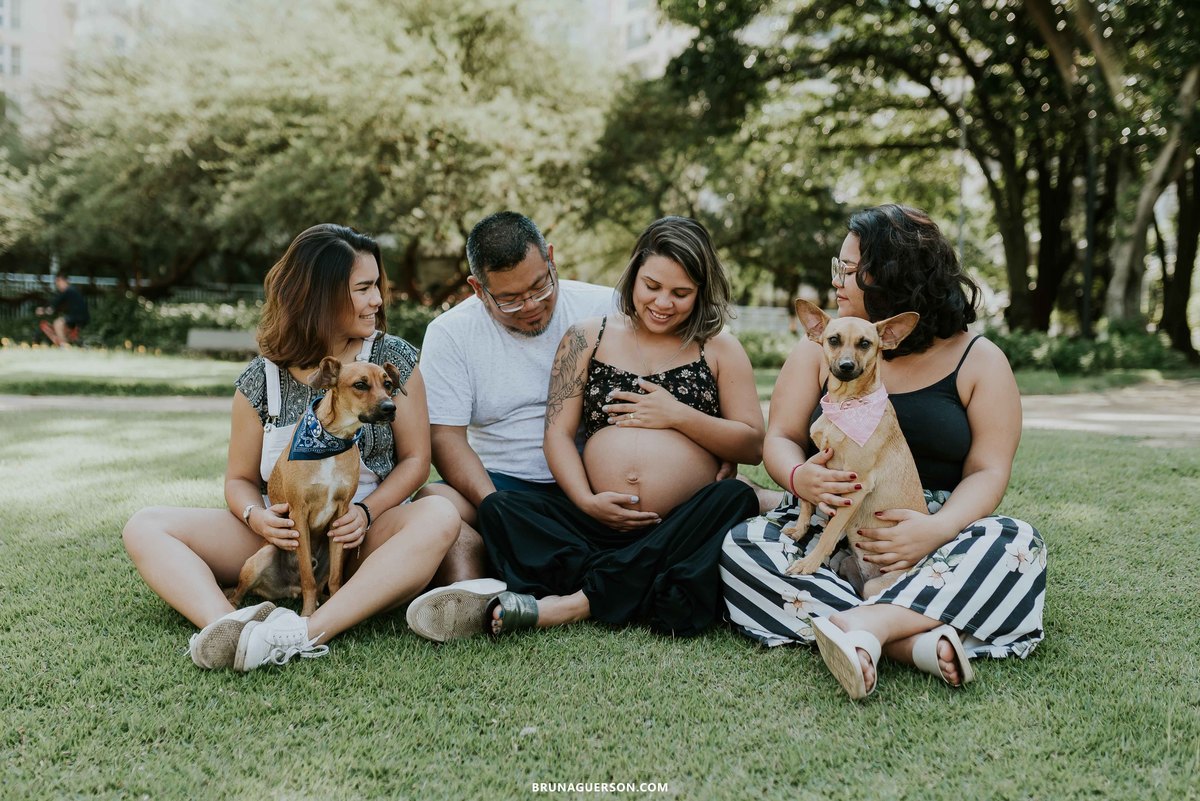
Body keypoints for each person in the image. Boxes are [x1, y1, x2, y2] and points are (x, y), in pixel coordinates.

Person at [720, 204, 1045, 699]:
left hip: (932, 534)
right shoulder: (823, 346)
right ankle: (903, 635)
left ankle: (859, 622)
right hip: (828, 527)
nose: (838, 282)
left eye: (851, 271)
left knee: (1018, 544)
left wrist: (935, 528)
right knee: (740, 549)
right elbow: (780, 438)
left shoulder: (978, 360)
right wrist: (797, 478)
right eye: (839, 267)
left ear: (898, 277)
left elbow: (987, 469)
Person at [122, 224, 459, 672]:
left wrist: (368, 512)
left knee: (439, 514)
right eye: (363, 288)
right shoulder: (261, 379)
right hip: (281, 533)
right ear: (320, 296)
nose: (378, 299)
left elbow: (418, 460)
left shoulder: (392, 359)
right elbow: (239, 479)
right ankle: (230, 629)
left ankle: (305, 632)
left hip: (361, 536)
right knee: (145, 526)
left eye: (377, 285)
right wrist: (256, 517)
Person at [473, 216, 764, 637]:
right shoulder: (586, 336)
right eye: (652, 286)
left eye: (681, 293)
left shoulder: (719, 348)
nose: (663, 302)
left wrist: (678, 415)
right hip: (595, 523)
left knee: (735, 497)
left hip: (679, 523)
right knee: (499, 508)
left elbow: (752, 445)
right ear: (633, 275)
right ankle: (635, 583)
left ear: (701, 292)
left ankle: (579, 602)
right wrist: (587, 501)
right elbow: (556, 433)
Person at [403, 212, 615, 637]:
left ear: (551, 259)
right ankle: (468, 594)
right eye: (511, 300)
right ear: (478, 289)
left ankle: (518, 576)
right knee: (435, 500)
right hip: (504, 487)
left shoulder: (603, 305)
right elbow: (445, 435)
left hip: (592, 483)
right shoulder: (450, 333)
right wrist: (494, 505)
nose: (532, 307)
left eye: (541, 286)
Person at [36, 271, 90, 346]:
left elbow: (54, 305)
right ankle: (73, 343)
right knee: (66, 331)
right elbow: (57, 303)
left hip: (78, 317)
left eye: (57, 283)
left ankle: (64, 346)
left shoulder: (68, 291)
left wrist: (43, 310)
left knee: (58, 323)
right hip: (82, 316)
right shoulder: (72, 290)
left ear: (62, 280)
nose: (57, 285)